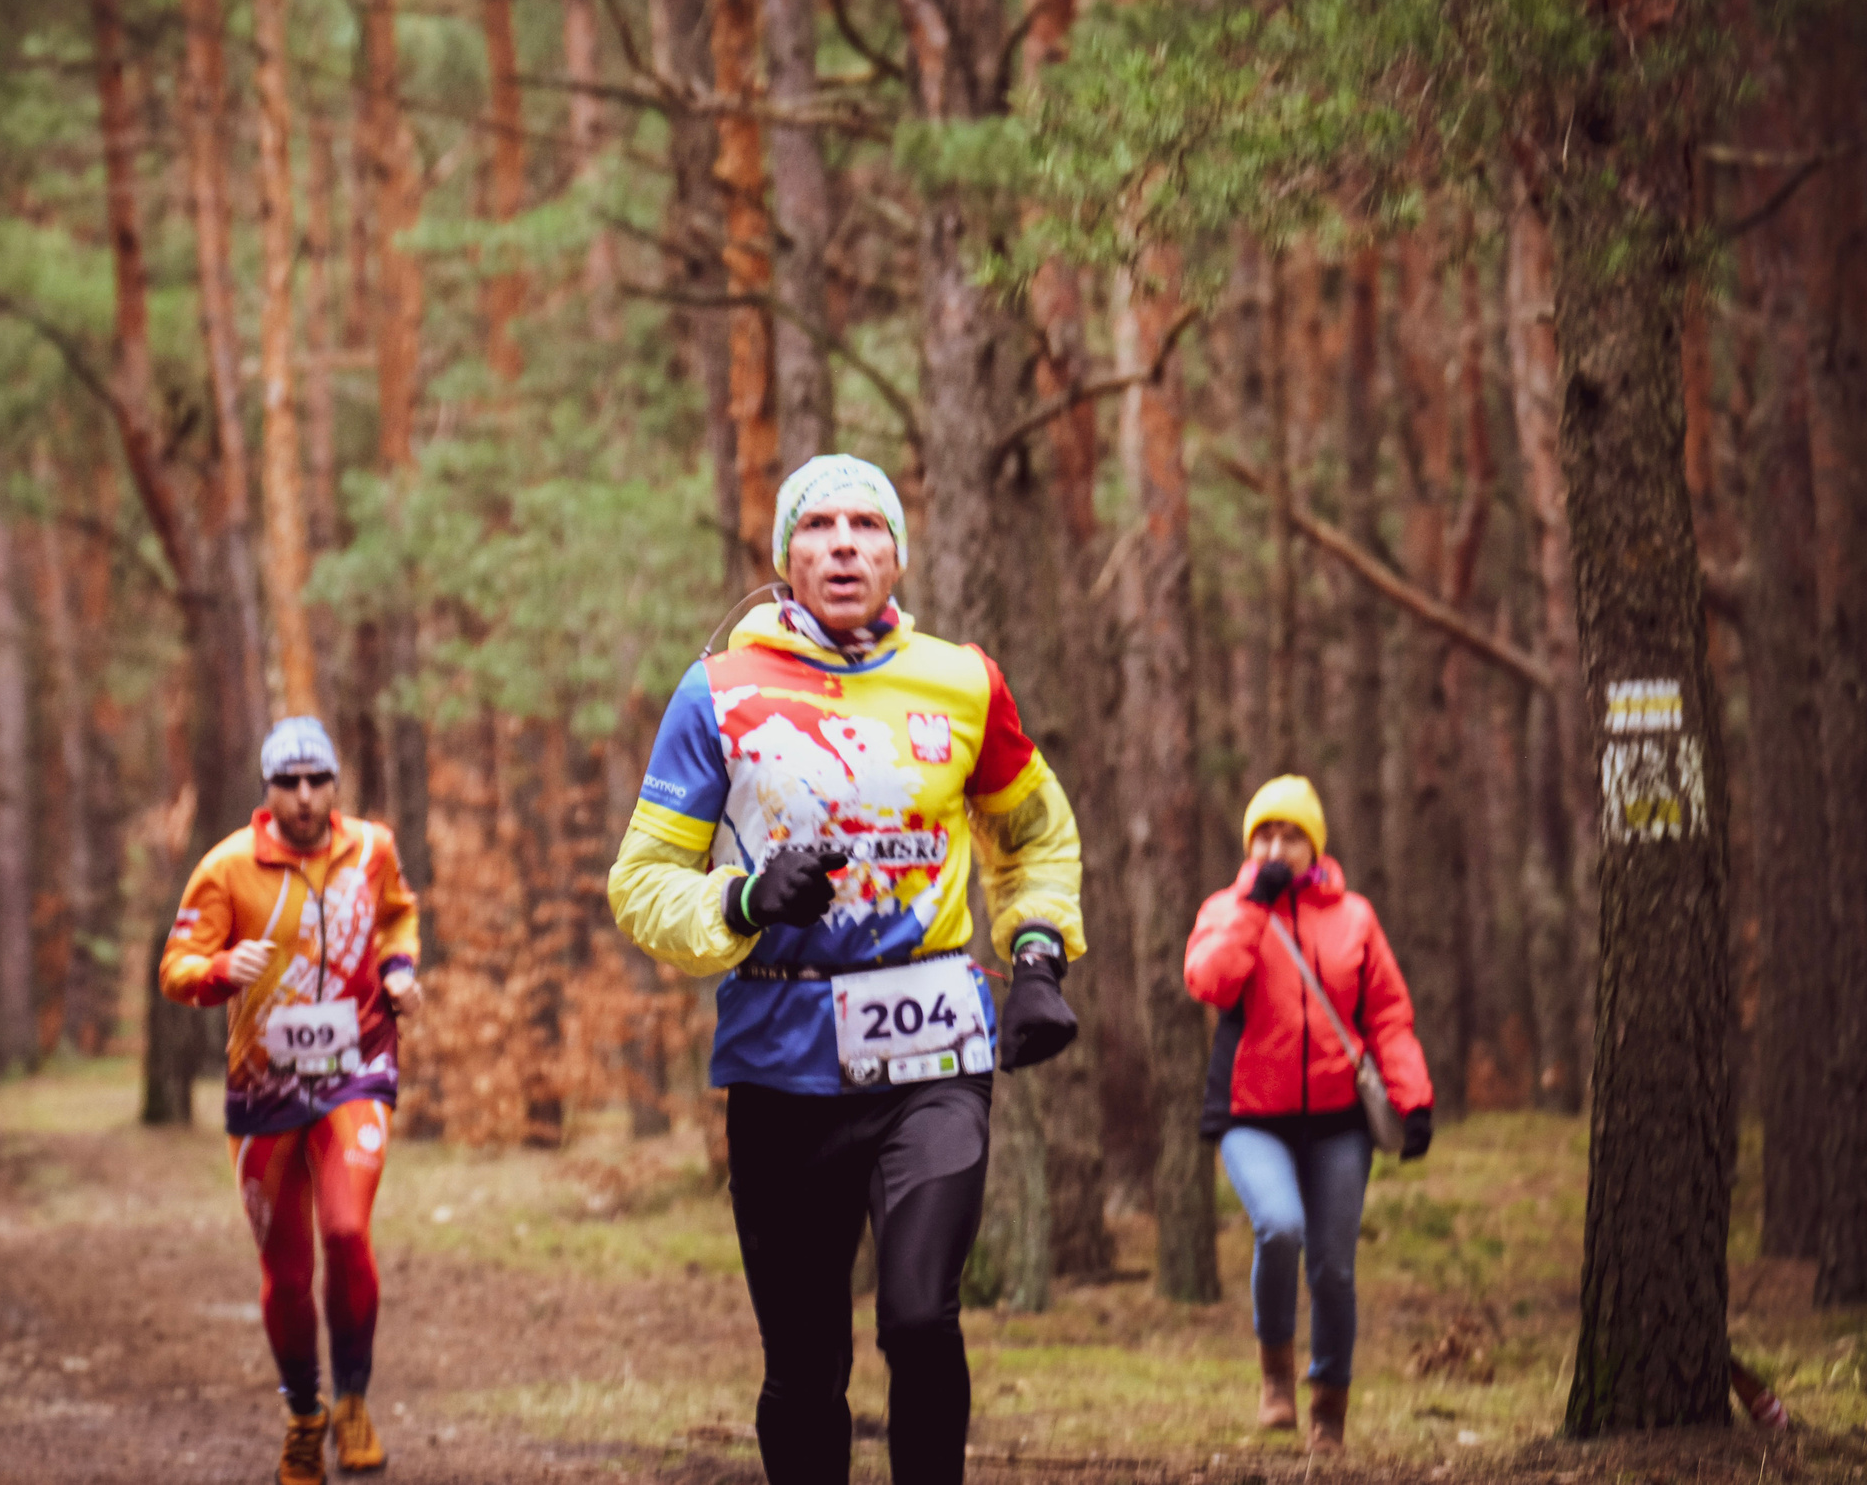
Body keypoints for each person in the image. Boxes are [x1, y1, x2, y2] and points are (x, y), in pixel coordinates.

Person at [606, 454, 1085, 1485]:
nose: (843, 547)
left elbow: (1033, 834)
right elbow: (641, 883)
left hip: (933, 1056)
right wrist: (742, 901)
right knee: (803, 1368)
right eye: (817, 527)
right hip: (781, 1061)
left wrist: (1039, 953)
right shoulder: (719, 692)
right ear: (786, 556)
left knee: (919, 1317)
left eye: (867, 526)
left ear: (897, 554)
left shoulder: (962, 681)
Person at [159, 717, 422, 1483]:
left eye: (317, 780)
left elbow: (397, 913)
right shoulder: (225, 867)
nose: (304, 796)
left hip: (357, 1066)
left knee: (345, 1229)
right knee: (287, 1269)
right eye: (288, 782)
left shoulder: (372, 847)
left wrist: (399, 968)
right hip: (264, 1086)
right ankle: (305, 1413)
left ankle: (354, 1401)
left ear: (336, 784)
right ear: (267, 790)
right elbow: (175, 967)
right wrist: (218, 969)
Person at [1183, 775, 1433, 1455]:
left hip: (1338, 1119)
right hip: (1250, 1116)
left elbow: (1388, 1016)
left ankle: (1329, 1406)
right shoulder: (1227, 908)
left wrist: (1413, 1098)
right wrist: (1254, 907)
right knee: (1279, 1226)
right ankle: (1275, 1375)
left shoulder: (1355, 917)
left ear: (1315, 845)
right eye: (1264, 834)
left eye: (1290, 835)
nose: (1275, 847)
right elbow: (1208, 979)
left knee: (1333, 1267)